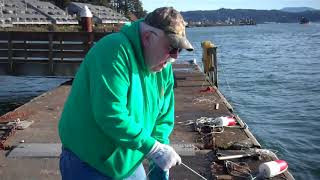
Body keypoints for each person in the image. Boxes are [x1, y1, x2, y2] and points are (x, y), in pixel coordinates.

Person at [58, 6, 193, 180]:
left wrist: (159, 154)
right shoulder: (114, 50)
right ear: (147, 37)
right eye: (171, 47)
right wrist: (153, 149)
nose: (174, 57)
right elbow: (110, 114)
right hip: (88, 161)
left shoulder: (163, 67)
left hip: (128, 161)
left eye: (179, 50)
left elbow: (163, 117)